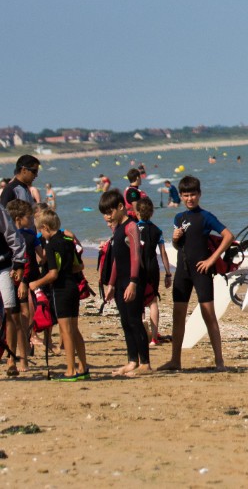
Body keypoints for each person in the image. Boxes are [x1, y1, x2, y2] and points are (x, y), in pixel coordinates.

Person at [160, 175, 233, 372]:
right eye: (185, 195)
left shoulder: (205, 216)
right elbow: (178, 245)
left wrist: (211, 260)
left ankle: (219, 362)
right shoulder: (179, 218)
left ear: (199, 194)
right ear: (181, 197)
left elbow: (228, 236)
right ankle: (175, 360)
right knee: (178, 316)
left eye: (193, 194)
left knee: (209, 315)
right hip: (182, 272)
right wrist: (175, 239)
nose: (189, 198)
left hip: (201, 271)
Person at [28, 209, 88, 380]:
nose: (41, 234)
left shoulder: (51, 244)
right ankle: (83, 367)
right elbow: (80, 266)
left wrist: (36, 284)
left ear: (46, 227)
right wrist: (66, 270)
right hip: (73, 287)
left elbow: (53, 273)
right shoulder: (69, 241)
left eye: (41, 230)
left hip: (61, 290)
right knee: (74, 330)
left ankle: (70, 370)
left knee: (66, 331)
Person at [98, 189, 151, 377]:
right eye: (104, 213)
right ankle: (132, 361)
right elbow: (115, 260)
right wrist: (111, 285)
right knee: (125, 321)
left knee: (135, 321)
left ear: (121, 207)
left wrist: (133, 283)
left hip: (132, 280)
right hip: (120, 281)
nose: (107, 216)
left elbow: (135, 255)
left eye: (109, 212)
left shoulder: (131, 227)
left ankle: (145, 363)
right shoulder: (117, 229)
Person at [1, 154, 39, 375]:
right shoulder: (11, 191)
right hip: (16, 257)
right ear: (23, 169)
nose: (35, 175)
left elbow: (13, 235)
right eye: (33, 171)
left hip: (16, 258)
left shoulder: (22, 190)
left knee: (17, 311)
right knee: (17, 311)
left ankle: (17, 358)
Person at [134, 196, 171, 345]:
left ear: (137, 212)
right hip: (153, 267)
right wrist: (168, 273)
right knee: (153, 300)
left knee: (139, 300)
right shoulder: (157, 230)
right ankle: (154, 337)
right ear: (152, 213)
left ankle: (143, 332)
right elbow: (163, 253)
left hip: (139, 267)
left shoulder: (133, 228)